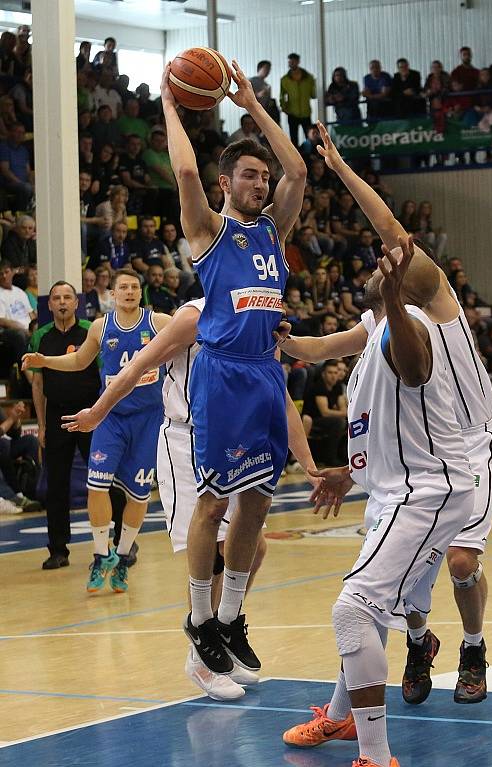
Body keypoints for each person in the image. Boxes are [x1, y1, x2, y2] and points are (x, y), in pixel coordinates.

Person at [280, 125, 492, 757]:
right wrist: (277, 339)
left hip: (450, 474)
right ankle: (350, 711)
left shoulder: (430, 316)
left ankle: (386, 735)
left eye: (390, 264)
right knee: (373, 602)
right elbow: (321, 352)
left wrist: (343, 169)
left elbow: (412, 358)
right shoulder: (380, 322)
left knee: (368, 603)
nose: (375, 264)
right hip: (401, 479)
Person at [63, 297, 320, 700]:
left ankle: (222, 629)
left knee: (255, 548)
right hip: (187, 438)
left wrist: (307, 463)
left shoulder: (259, 320)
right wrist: (97, 412)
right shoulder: (192, 317)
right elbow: (135, 366)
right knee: (213, 552)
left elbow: (280, 396)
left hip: (235, 436)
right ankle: (200, 654)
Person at [161, 58, 306, 675]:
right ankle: (199, 621)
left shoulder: (273, 231)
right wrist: (170, 104)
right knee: (214, 507)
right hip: (222, 378)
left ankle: (231, 619)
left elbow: (298, 167)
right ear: (226, 184)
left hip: (266, 376)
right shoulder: (209, 231)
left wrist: (251, 103)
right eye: (249, 175)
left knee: (257, 506)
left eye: (262, 177)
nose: (262, 182)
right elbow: (187, 167)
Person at [23, 269, 172, 589]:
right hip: (111, 417)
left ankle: (121, 555)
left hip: (148, 420)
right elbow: (78, 362)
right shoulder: (102, 327)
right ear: (113, 294)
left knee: (138, 494)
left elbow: (192, 338)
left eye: (135, 286)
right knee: (96, 485)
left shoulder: (158, 322)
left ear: (140, 292)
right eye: (123, 288)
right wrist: (45, 361)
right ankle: (101, 553)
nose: (130, 292)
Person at [25, 281, 101, 567]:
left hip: (90, 415)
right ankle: (58, 550)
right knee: (56, 485)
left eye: (67, 297)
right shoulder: (41, 336)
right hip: (57, 417)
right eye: (56, 298)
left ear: (76, 302)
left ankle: (112, 545)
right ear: (49, 304)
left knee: (102, 481)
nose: (62, 302)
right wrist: (42, 425)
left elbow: (105, 376)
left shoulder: (91, 331)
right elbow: (38, 383)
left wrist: (101, 414)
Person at [0, 258, 35, 365]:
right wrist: (23, 328)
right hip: (9, 331)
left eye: (6, 272)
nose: (4, 276)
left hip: (27, 328)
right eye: (1, 274)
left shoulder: (20, 292)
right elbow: (2, 320)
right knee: (20, 335)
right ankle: (26, 374)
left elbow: (31, 314)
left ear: (12, 272)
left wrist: (35, 327)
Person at [280, 53, 316, 147]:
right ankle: (296, 160)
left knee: (309, 137)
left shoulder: (309, 78)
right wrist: (283, 107)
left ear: (298, 62)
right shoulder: (285, 79)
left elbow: (313, 94)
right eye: (289, 61)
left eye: (293, 61)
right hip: (292, 113)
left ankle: (310, 157)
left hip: (306, 112)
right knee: (294, 138)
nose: (291, 63)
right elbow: (282, 95)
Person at [0, 122, 33, 212]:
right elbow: (5, 170)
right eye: (18, 132)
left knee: (38, 187)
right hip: (9, 183)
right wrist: (20, 182)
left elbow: (28, 171)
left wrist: (33, 184)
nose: (21, 135)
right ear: (11, 132)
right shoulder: (4, 147)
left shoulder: (24, 150)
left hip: (23, 183)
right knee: (26, 188)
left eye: (22, 133)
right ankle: (21, 213)